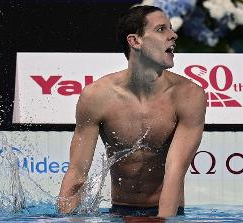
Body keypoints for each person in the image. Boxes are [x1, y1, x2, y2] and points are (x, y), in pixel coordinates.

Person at [57, 5, 206, 218]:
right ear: (135, 41)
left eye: (171, 29)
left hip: (168, 212)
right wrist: (64, 220)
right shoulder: (96, 96)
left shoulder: (189, 95)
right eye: (162, 29)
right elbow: (77, 173)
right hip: (119, 213)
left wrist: (161, 221)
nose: (173, 35)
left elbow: (174, 173)